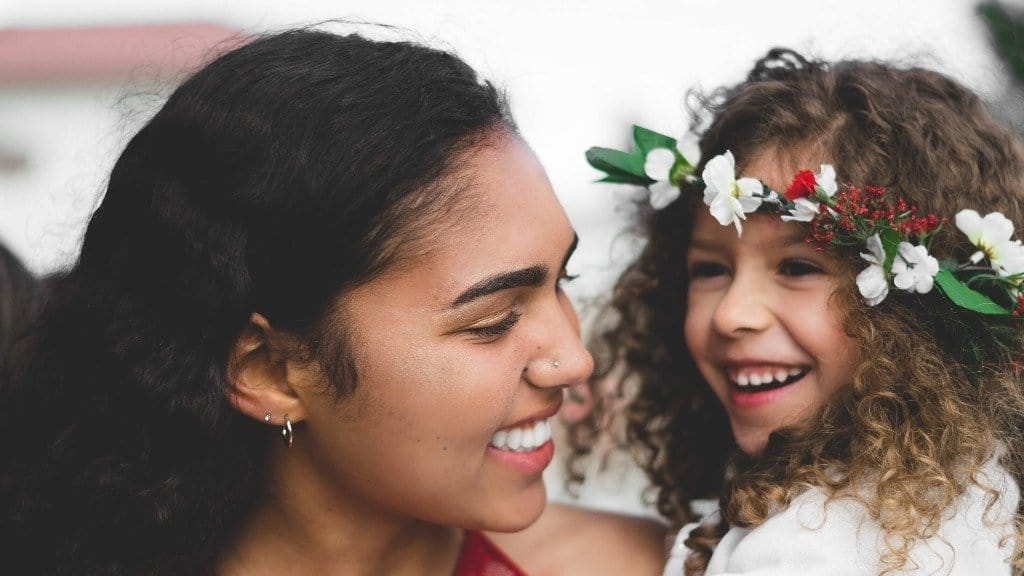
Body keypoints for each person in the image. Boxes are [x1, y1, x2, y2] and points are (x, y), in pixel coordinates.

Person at [0, 29, 664, 575]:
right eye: (493, 323)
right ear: (272, 371)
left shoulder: (650, 565)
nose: (574, 359)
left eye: (562, 283)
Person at [574, 48, 1024, 575]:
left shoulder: (804, 551)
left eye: (797, 267)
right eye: (710, 270)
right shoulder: (961, 486)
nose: (731, 315)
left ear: (913, 307)